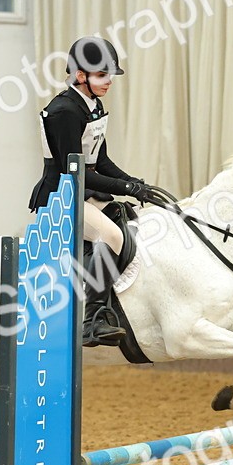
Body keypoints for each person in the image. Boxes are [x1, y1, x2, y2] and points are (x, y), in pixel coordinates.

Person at [28, 36, 152, 347]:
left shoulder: (93, 105)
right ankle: (92, 319)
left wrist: (135, 184)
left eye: (110, 75)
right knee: (111, 236)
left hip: (84, 192)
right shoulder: (64, 111)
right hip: (62, 196)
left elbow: (101, 161)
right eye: (102, 75)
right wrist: (124, 187)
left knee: (132, 217)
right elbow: (77, 172)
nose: (109, 81)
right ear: (80, 75)